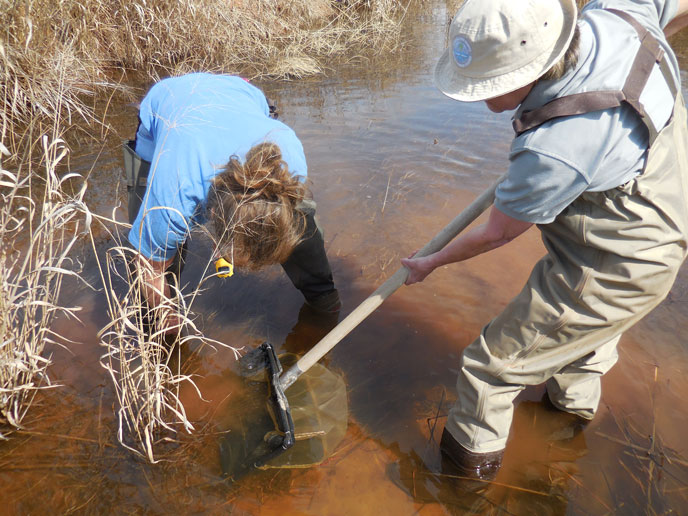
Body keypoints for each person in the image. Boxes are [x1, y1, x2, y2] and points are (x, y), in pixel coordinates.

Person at [402, 0, 688, 479]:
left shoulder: (552, 151)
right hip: (665, 211)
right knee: (581, 341)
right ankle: (563, 438)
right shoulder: (620, 14)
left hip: (616, 264)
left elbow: (496, 233)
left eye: (482, 88)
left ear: (523, 75)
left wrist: (431, 261)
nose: (475, 98)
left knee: (490, 367)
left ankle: (462, 486)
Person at [123, 73, 340, 335]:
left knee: (301, 224)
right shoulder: (174, 190)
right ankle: (157, 331)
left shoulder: (287, 155)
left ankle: (323, 297)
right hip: (170, 101)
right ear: (214, 215)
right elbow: (147, 265)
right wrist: (164, 312)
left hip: (238, 92)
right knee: (158, 255)